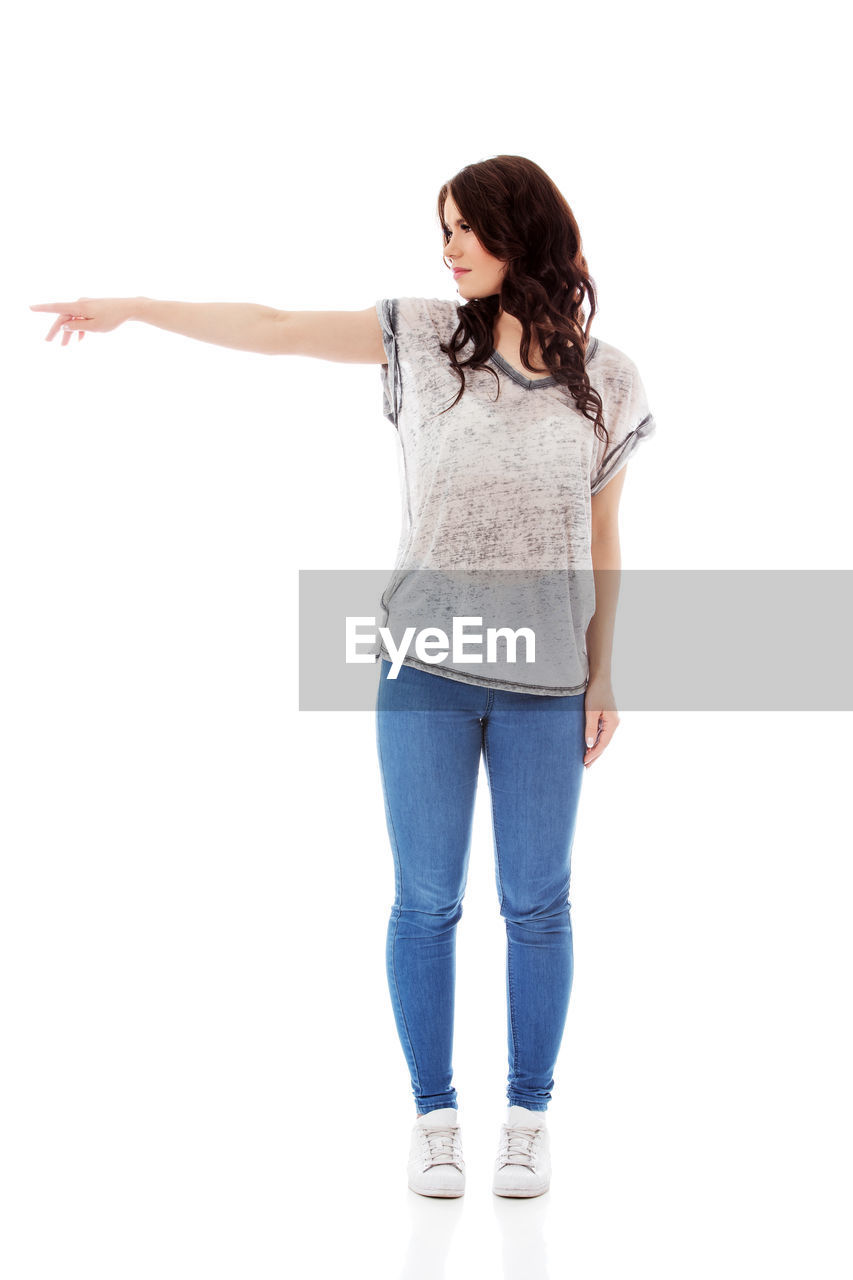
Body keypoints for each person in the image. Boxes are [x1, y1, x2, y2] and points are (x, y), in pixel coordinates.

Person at [29, 153, 657, 1201]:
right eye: (441, 229)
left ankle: (528, 1115)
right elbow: (272, 325)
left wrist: (605, 673)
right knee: (424, 898)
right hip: (422, 671)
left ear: (522, 227)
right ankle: (435, 1114)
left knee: (538, 903)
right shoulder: (417, 335)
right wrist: (132, 307)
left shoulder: (612, 377)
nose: (447, 247)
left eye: (464, 227)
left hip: (545, 680)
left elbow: (604, 533)